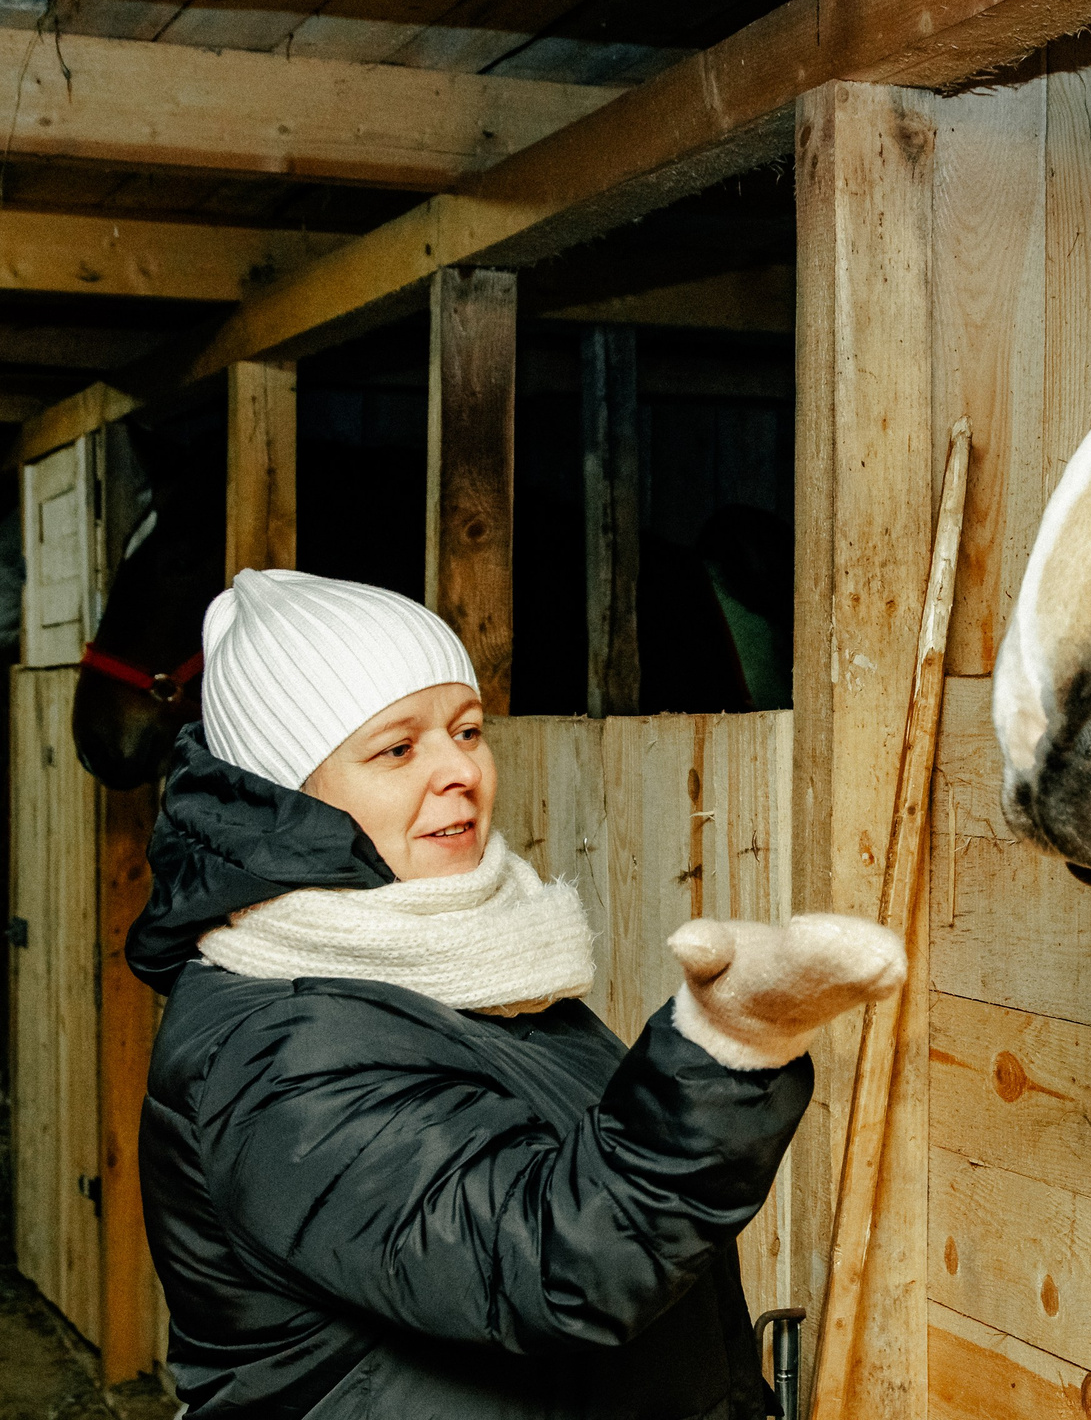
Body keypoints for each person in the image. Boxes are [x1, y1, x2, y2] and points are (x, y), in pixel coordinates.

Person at [135, 570, 903, 1418]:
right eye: (397, 748)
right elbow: (548, 1264)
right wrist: (726, 1048)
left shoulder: (475, 962)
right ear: (287, 790)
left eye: (466, 730)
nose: (457, 768)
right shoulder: (281, 1047)